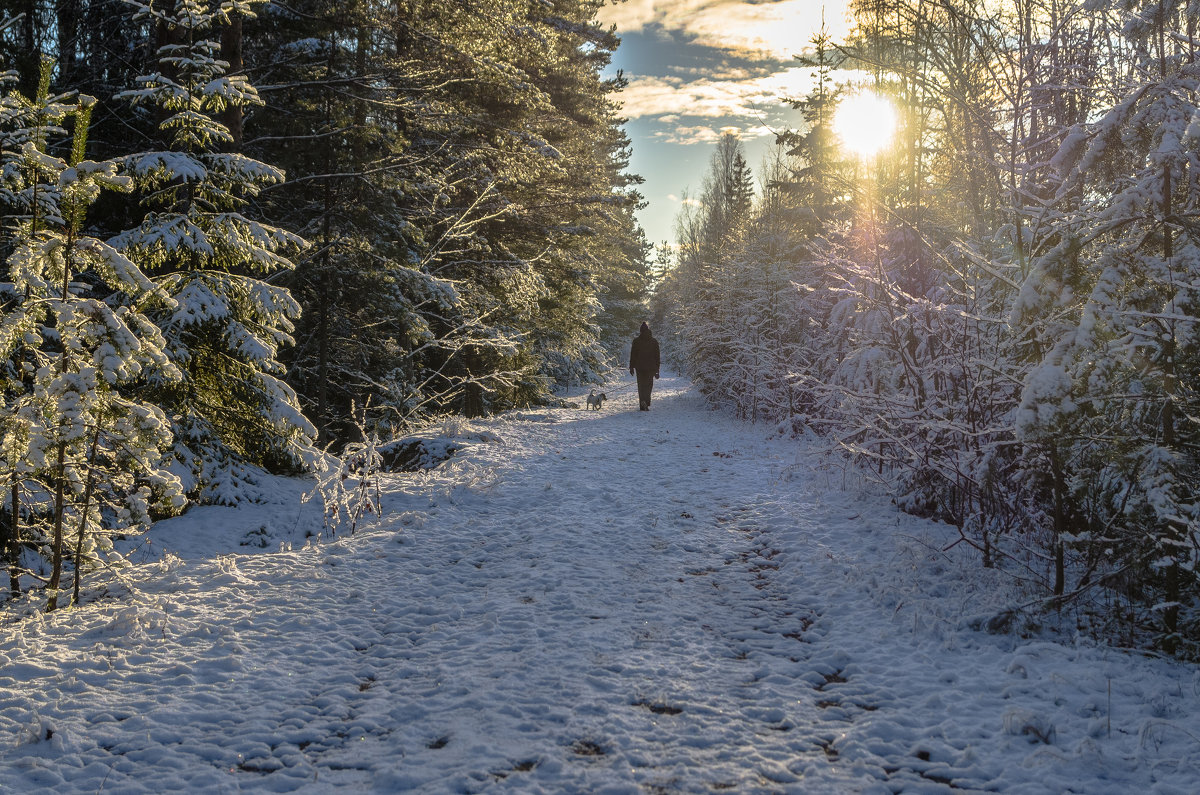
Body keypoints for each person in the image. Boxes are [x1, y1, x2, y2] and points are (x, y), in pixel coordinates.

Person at [628, 321, 660, 411]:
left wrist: (631, 367)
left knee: (641, 386)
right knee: (649, 385)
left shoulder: (636, 341)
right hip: (651, 368)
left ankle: (642, 403)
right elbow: (657, 356)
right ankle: (646, 401)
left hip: (639, 367)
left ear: (640, 331)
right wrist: (657, 370)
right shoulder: (654, 341)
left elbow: (633, 355)